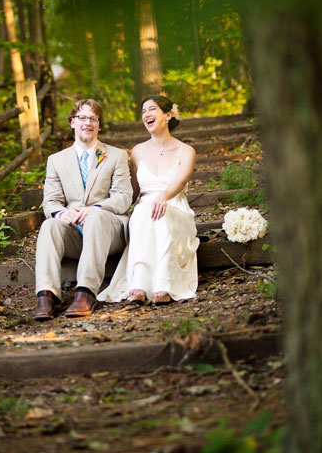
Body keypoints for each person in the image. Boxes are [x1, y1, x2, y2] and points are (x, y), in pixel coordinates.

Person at [33, 99, 133, 321]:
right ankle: (46, 295)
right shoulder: (56, 161)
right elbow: (51, 201)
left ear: (99, 125)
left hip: (109, 229)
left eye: (93, 119)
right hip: (75, 232)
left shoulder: (116, 156)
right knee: (50, 224)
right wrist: (61, 213)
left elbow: (124, 197)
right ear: (72, 122)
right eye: (82, 118)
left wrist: (96, 208)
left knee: (96, 217)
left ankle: (85, 293)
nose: (87, 123)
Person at [98, 95, 199, 304]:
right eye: (143, 111)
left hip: (175, 207)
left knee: (160, 212)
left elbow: (180, 181)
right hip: (145, 210)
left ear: (168, 115)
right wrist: (111, 208)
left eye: (152, 109)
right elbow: (132, 190)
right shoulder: (137, 151)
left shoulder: (187, 151)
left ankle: (164, 284)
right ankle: (139, 285)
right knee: (144, 211)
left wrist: (163, 196)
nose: (146, 115)